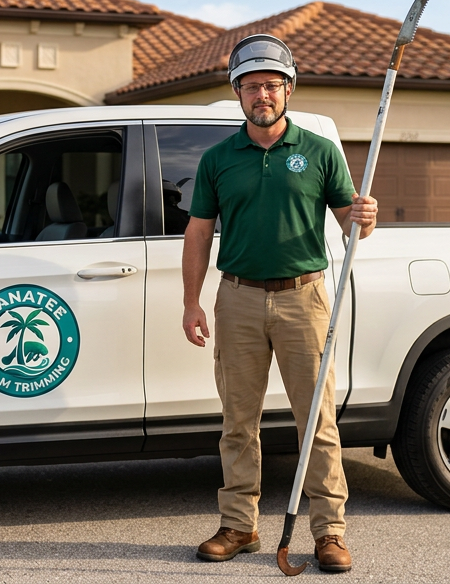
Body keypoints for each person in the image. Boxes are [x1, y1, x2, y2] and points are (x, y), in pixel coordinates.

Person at [182, 34, 378, 573]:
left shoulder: (319, 152)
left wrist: (364, 217)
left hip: (304, 298)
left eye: (271, 85)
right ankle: (239, 526)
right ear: (237, 94)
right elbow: (198, 233)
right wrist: (191, 302)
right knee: (237, 420)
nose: (261, 95)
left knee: (316, 421)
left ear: (288, 89)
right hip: (238, 298)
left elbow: (347, 220)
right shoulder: (218, 159)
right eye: (250, 86)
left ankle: (329, 534)